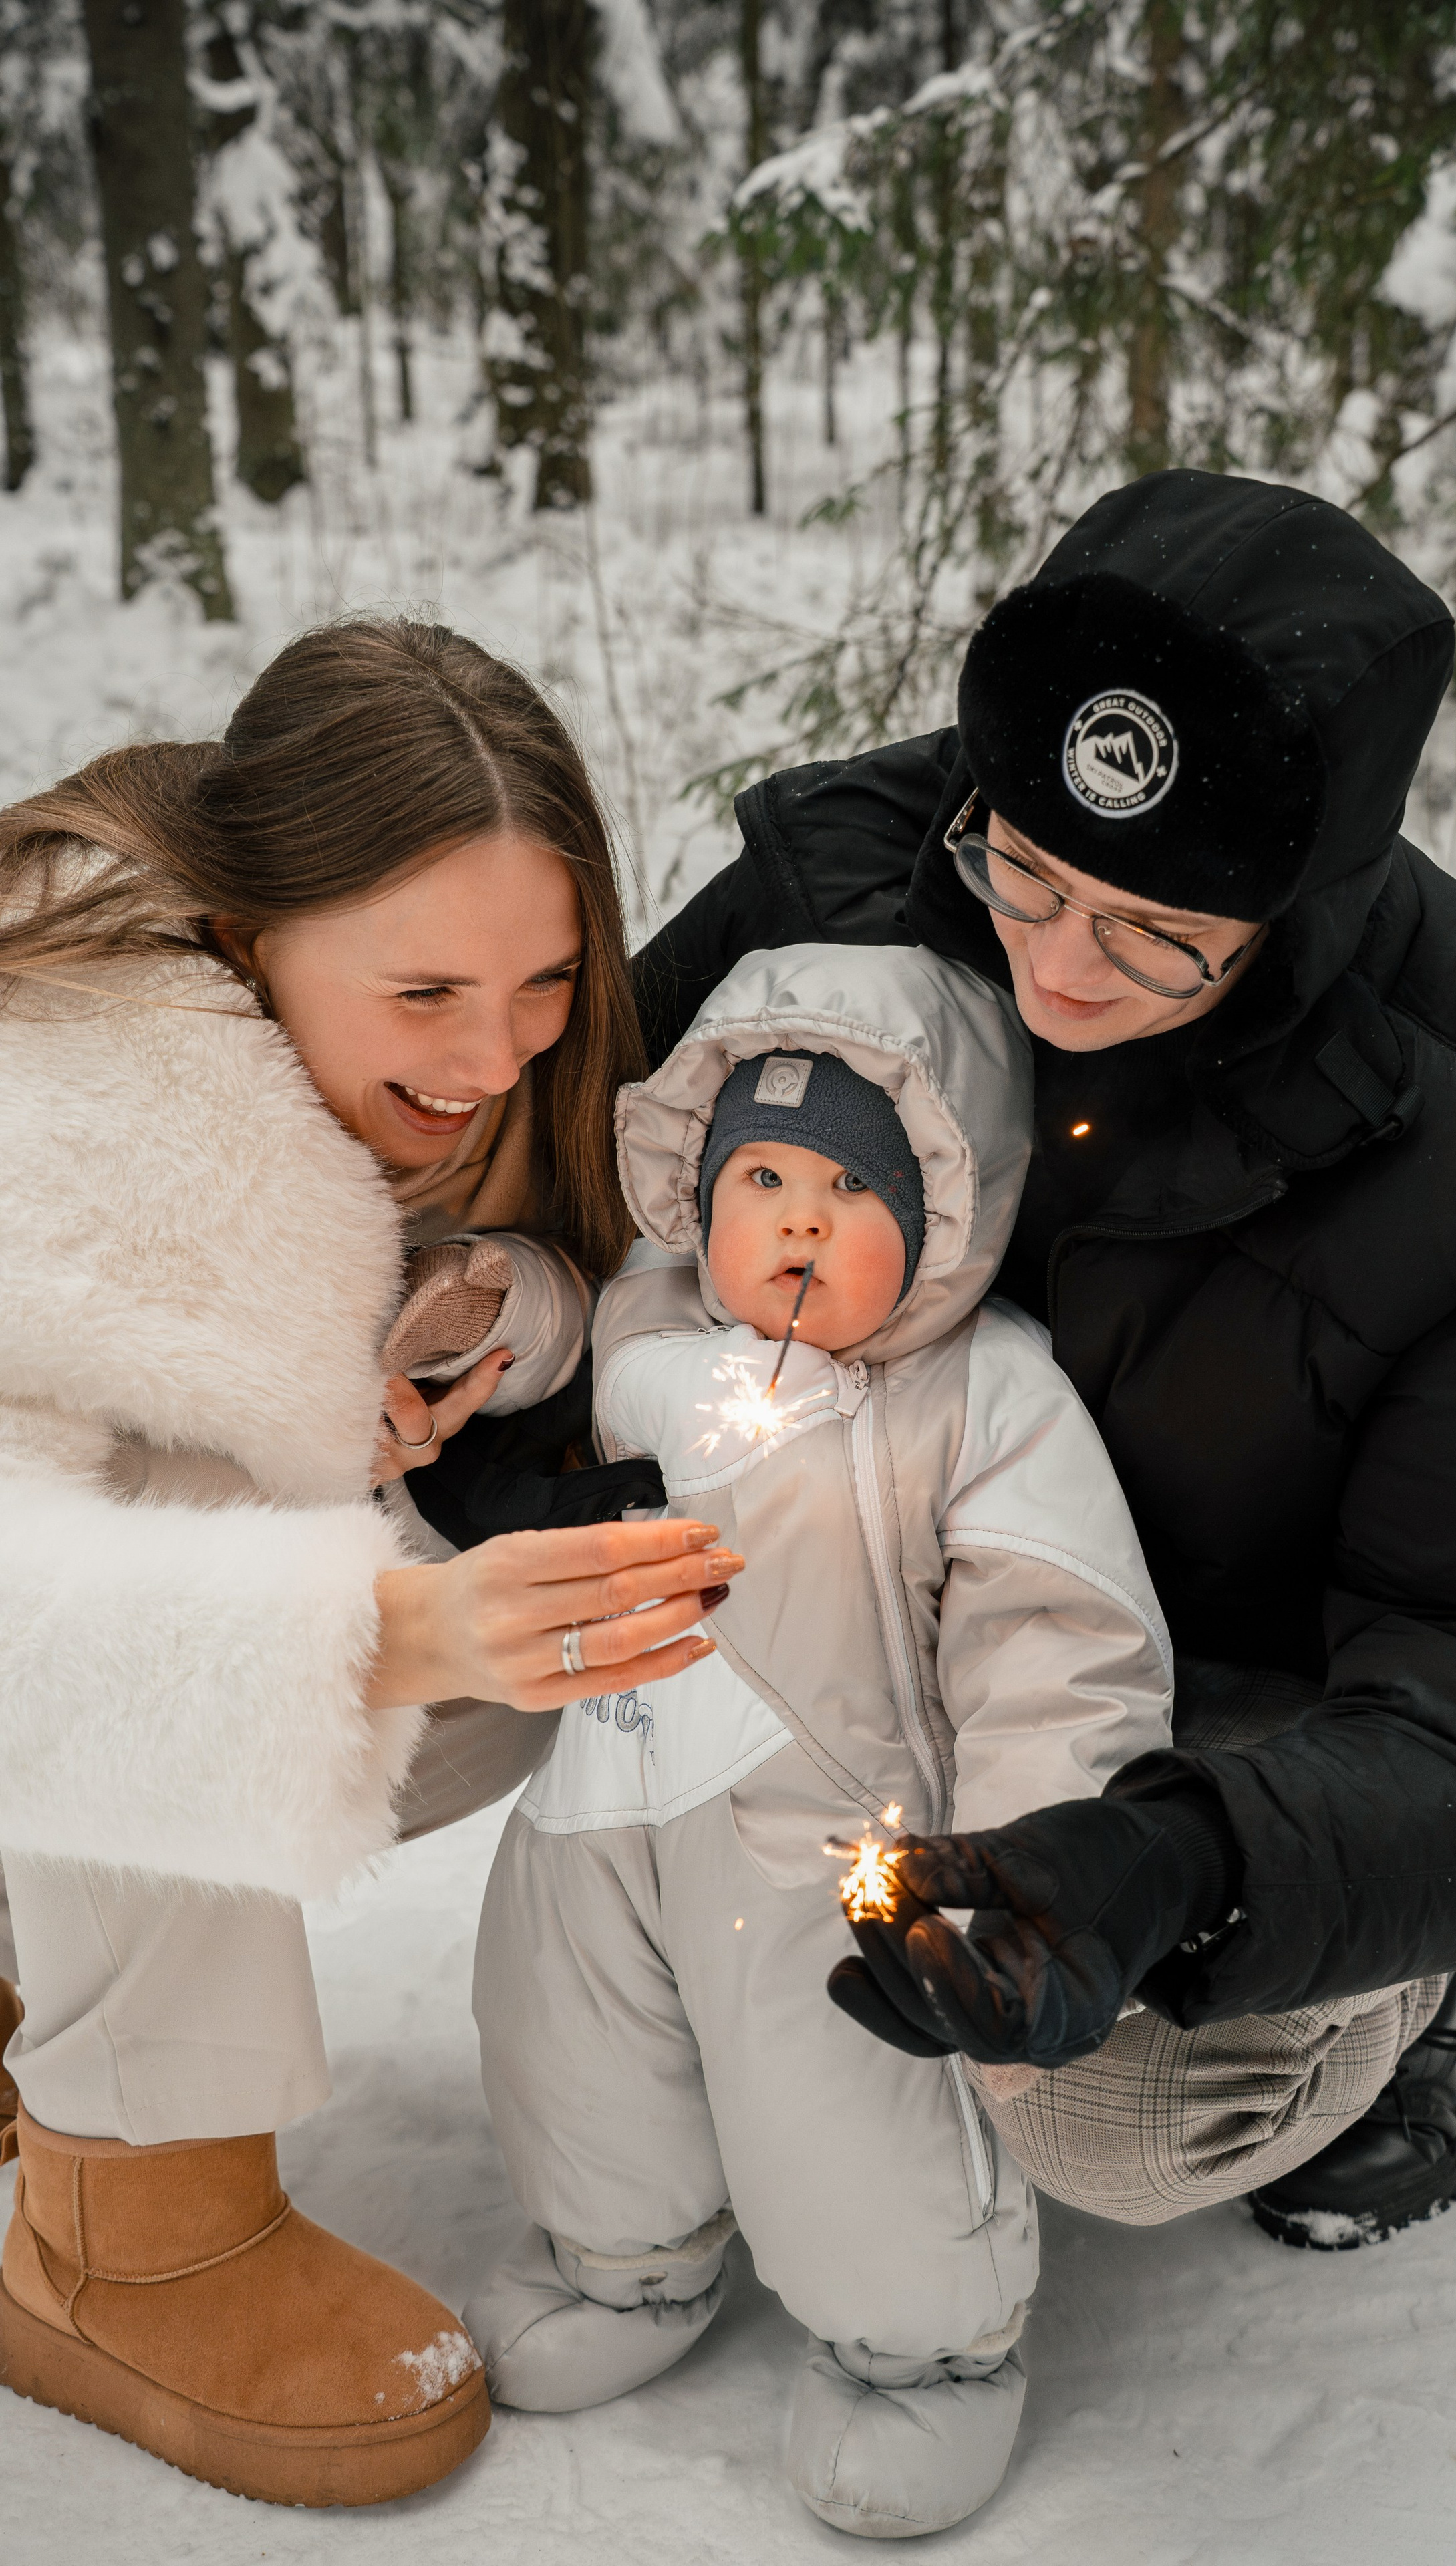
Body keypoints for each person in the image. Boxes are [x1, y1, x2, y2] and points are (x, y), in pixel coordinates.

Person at [633, 469, 1456, 2248]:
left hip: (1208, 1711)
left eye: (1154, 937)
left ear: (1301, 900)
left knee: (1117, 2118)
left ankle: (1404, 1988)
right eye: (1026, 878)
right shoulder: (853, 874)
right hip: (866, 1556)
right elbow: (586, 1139)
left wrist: (1185, 1862)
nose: (1057, 968)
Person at [0, 621, 744, 2507]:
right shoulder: (66, 1117)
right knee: (198, 1519)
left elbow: (540, 1241)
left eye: (548, 981)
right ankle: (128, 2223)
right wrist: (396, 1624)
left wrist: (489, 1304)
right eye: (426, 992)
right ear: (250, 938)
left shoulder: (371, 1066)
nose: (497, 1051)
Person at [460, 941, 1172, 2537]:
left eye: (851, 1193)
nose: (794, 1218)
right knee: (572, 2042)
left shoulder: (978, 1397)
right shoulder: (648, 1326)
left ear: (940, 1218)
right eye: (761, 1175)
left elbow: (1058, 1642)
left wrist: (1027, 1851)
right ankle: (623, 2261)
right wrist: (490, 1299)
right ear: (694, 1196)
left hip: (825, 1840)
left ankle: (926, 2350)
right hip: (599, 1808)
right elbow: (548, 1315)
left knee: (842, 2090)